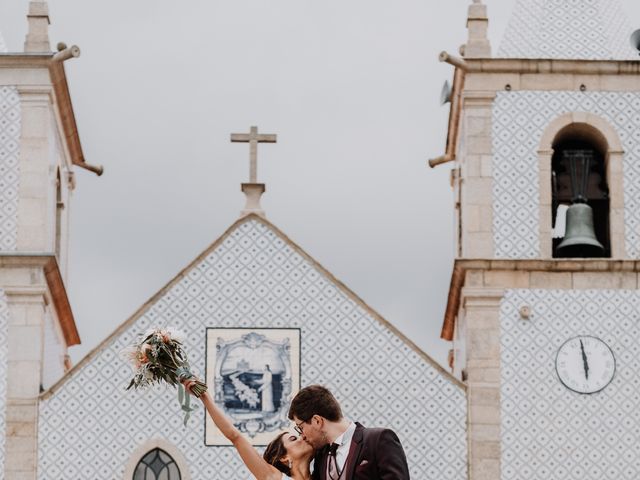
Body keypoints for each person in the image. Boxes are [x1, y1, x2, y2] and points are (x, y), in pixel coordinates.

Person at [183, 378, 313, 480]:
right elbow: (235, 437)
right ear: (284, 457)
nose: (303, 436)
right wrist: (204, 396)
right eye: (293, 438)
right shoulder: (274, 478)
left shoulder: (325, 472)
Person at [288, 385, 410, 480]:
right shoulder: (321, 455)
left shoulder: (378, 439)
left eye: (300, 427)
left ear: (317, 421)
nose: (302, 435)